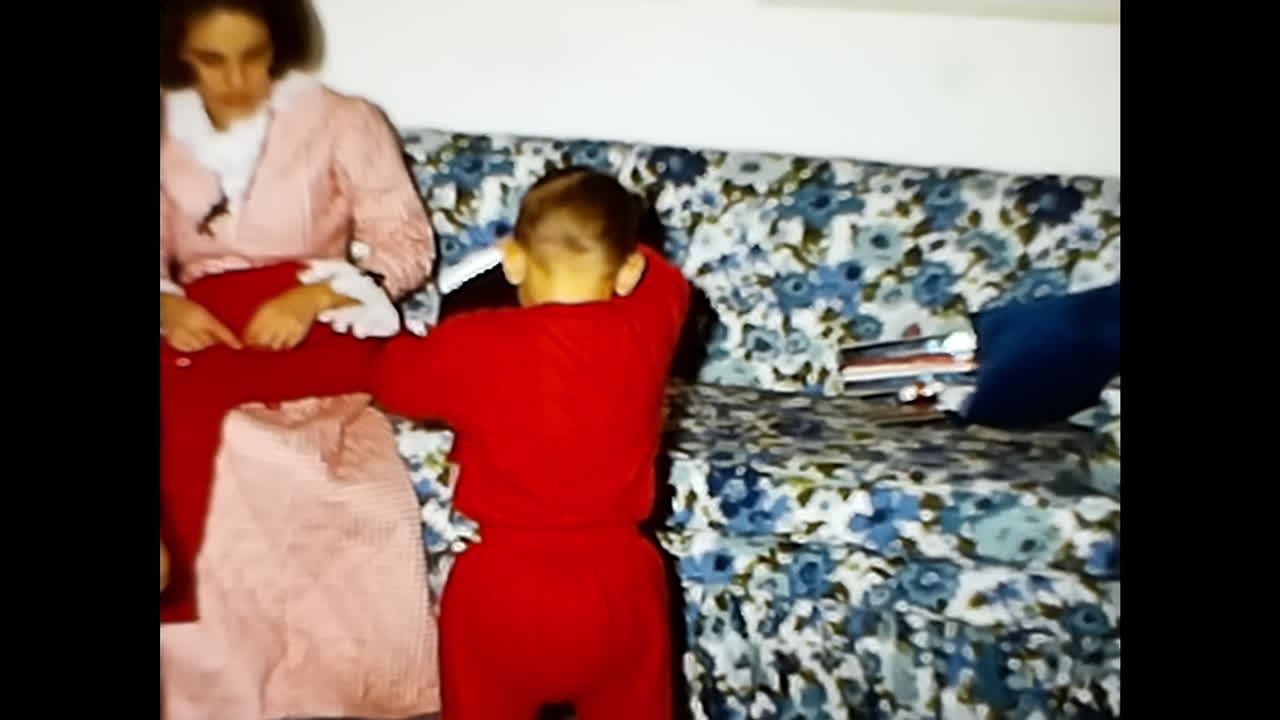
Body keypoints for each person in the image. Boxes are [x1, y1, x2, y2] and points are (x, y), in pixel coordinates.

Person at [159, 1, 439, 717]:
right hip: (200, 322)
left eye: (253, 54)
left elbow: (405, 247)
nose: (235, 78)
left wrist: (314, 296)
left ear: (280, 45)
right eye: (210, 60)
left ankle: (298, 690)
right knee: (190, 420)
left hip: (318, 316)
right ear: (179, 54)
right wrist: (166, 302)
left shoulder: (345, 120)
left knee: (250, 443)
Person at [375, 167, 692, 720]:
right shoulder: (648, 326)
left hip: (503, 586)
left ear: (513, 258)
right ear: (627, 269)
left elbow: (392, 381)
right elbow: (667, 280)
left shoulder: (473, 344)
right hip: (621, 586)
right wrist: (617, 238)